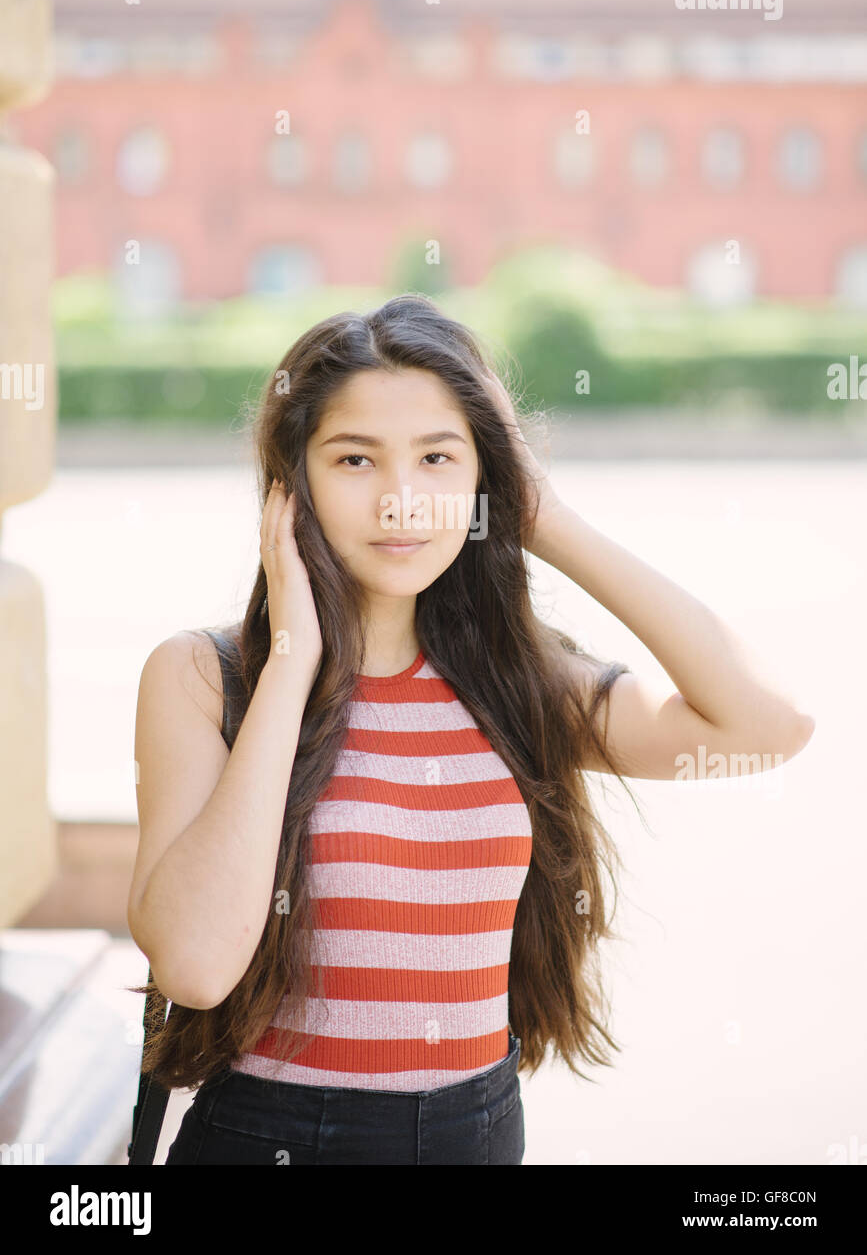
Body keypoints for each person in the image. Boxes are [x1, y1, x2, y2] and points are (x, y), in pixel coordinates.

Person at [127, 293, 814, 1165]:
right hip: (274, 1137)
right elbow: (193, 965)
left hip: (476, 1130)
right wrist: (294, 662)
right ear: (290, 484)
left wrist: (548, 521)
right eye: (354, 459)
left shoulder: (516, 682)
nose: (402, 500)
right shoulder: (202, 676)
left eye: (438, 458)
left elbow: (767, 723)